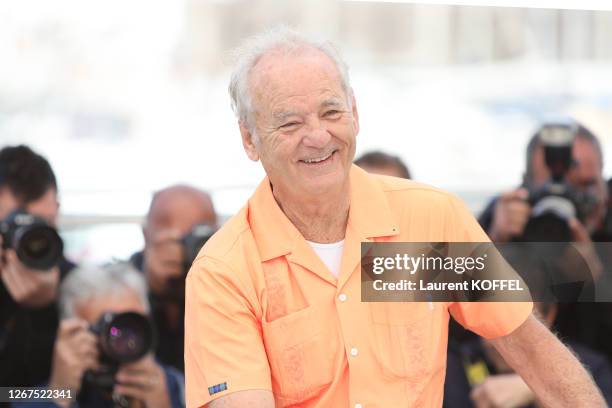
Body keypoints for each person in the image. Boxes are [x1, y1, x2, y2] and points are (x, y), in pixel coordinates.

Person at [184, 28, 605, 407]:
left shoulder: (430, 219)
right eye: (290, 122)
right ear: (249, 138)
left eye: (331, 113)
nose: (317, 136)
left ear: (355, 112)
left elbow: (529, 345)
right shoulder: (224, 273)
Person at [15, 263, 185, 408]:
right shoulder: (31, 391)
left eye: (130, 326)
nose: (120, 341)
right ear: (70, 333)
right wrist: (59, 393)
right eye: (104, 328)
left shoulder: (179, 385)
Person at [0, 145, 75, 387]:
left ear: (57, 212)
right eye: (14, 228)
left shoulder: (79, 284)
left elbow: (74, 396)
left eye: (39, 227)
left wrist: (46, 311)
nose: (29, 243)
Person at [444, 302, 612, 407]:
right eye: (494, 319)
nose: (502, 334)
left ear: (549, 314)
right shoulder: (453, 361)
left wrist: (535, 388)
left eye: (518, 323)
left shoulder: (590, 366)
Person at [130, 184, 216, 372]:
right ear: (146, 236)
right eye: (176, 241)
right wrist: (148, 284)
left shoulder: (234, 286)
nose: (185, 251)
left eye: (197, 238)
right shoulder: (119, 285)